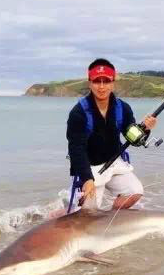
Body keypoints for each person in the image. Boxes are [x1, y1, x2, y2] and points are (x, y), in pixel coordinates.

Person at [66, 58, 157, 211]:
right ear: (90, 83)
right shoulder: (78, 112)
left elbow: (132, 139)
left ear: (113, 83)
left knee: (135, 191)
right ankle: (59, 212)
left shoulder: (123, 108)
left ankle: (111, 221)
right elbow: (76, 149)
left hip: (114, 163)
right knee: (86, 213)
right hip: (89, 168)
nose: (101, 87)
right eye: (97, 81)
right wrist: (87, 179)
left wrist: (146, 129)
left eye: (106, 81)